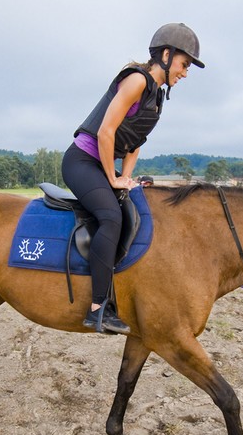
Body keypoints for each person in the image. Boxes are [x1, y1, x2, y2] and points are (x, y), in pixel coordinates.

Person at [61, 23, 204, 334]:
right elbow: (106, 132)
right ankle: (98, 308)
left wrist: (126, 178)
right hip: (82, 160)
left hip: (101, 164)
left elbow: (134, 144)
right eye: (184, 65)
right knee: (111, 217)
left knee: (132, 210)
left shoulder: (157, 99)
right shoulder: (137, 81)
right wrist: (112, 179)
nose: (185, 73)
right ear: (166, 55)